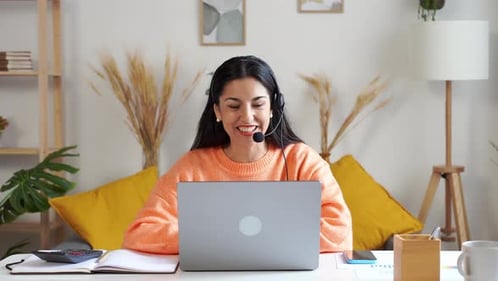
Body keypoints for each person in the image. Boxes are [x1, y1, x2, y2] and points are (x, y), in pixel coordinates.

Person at [122, 55, 352, 254]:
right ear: (217, 111)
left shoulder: (302, 160)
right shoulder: (191, 167)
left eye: (258, 105)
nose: (247, 117)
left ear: (273, 109)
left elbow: (339, 231)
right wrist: (225, 236)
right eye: (234, 106)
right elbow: (140, 233)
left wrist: (229, 238)